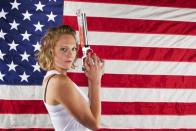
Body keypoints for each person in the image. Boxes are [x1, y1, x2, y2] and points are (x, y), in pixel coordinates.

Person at [37, 25, 104, 131]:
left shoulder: (54, 78)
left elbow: (89, 113)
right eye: (63, 49)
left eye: (73, 49)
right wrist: (96, 81)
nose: (70, 54)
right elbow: (94, 125)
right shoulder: (59, 81)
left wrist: (92, 79)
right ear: (51, 52)